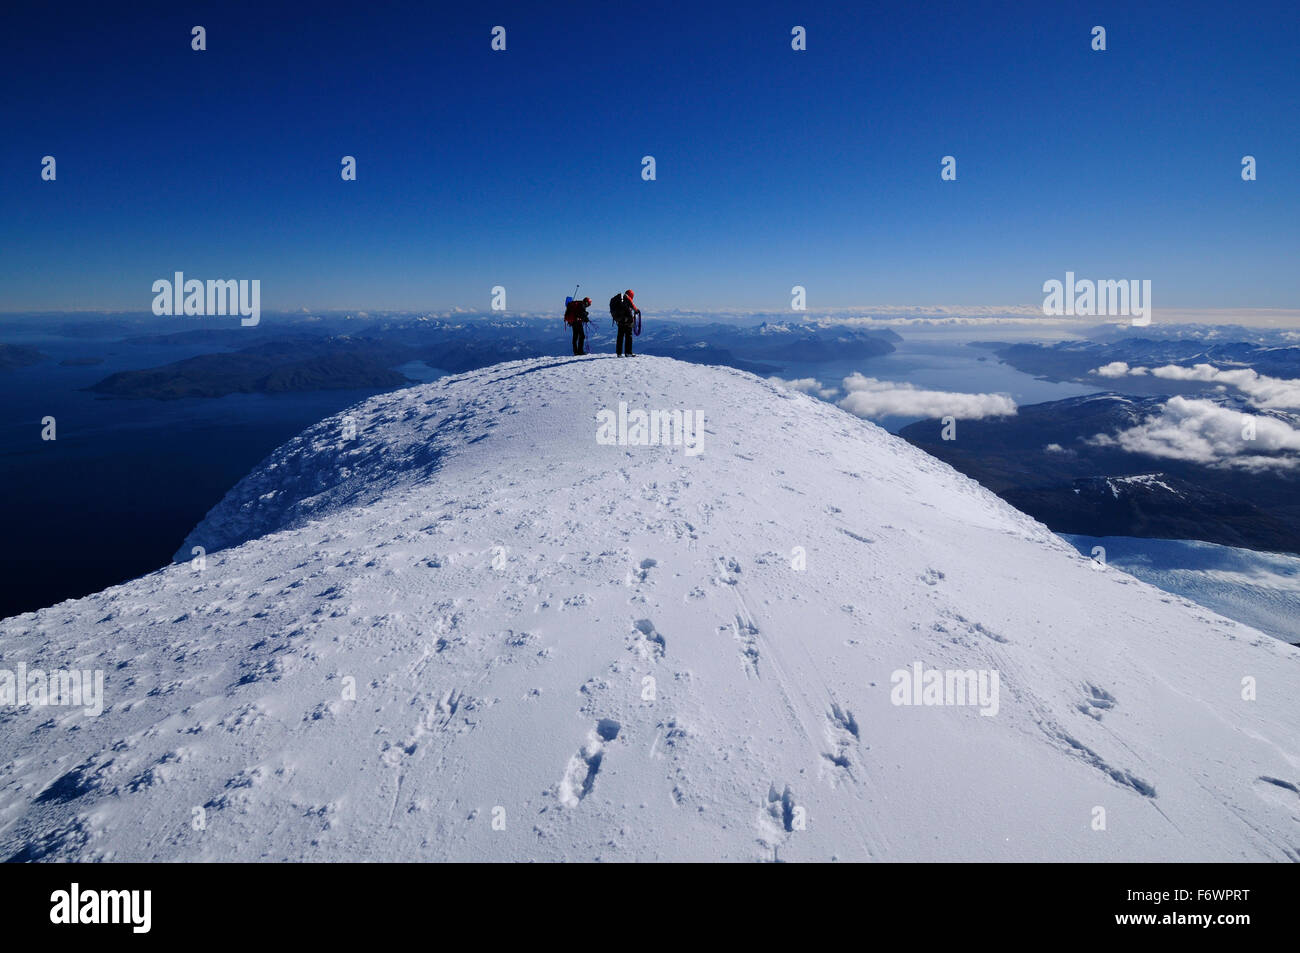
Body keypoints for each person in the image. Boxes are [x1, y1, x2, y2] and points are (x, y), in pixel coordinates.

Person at [609, 289, 641, 357]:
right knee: (628, 336)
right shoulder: (627, 298)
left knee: (620, 337)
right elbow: (633, 306)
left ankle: (619, 353)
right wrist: (636, 310)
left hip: (620, 321)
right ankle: (628, 352)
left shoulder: (619, 300)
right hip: (627, 322)